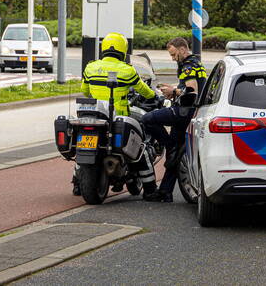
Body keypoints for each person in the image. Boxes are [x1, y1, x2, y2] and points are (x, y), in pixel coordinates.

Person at [74, 32, 159, 196]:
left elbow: (85, 91)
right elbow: (144, 91)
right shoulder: (127, 70)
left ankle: (77, 183)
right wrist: (154, 96)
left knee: (82, 146)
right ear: (123, 50)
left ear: (104, 48)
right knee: (140, 148)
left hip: (95, 116)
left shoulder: (91, 67)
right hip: (119, 117)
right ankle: (150, 190)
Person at [141, 36, 208, 202]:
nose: (172, 58)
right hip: (193, 112)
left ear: (182, 50)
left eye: (173, 54)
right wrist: (177, 90)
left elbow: (192, 91)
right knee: (175, 156)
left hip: (184, 112)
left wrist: (174, 91)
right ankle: (165, 192)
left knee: (147, 119)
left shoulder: (188, 66)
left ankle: (168, 145)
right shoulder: (196, 63)